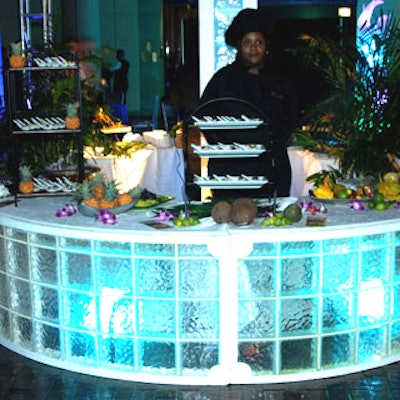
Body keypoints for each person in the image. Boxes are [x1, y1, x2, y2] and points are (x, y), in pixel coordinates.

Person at [197, 8, 298, 198]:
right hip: (229, 170)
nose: (253, 48)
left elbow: (291, 117)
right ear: (239, 47)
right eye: (248, 43)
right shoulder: (223, 79)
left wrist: (275, 143)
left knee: (271, 222)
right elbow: (202, 115)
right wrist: (223, 146)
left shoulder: (281, 81)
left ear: (266, 46)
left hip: (271, 168)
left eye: (258, 42)